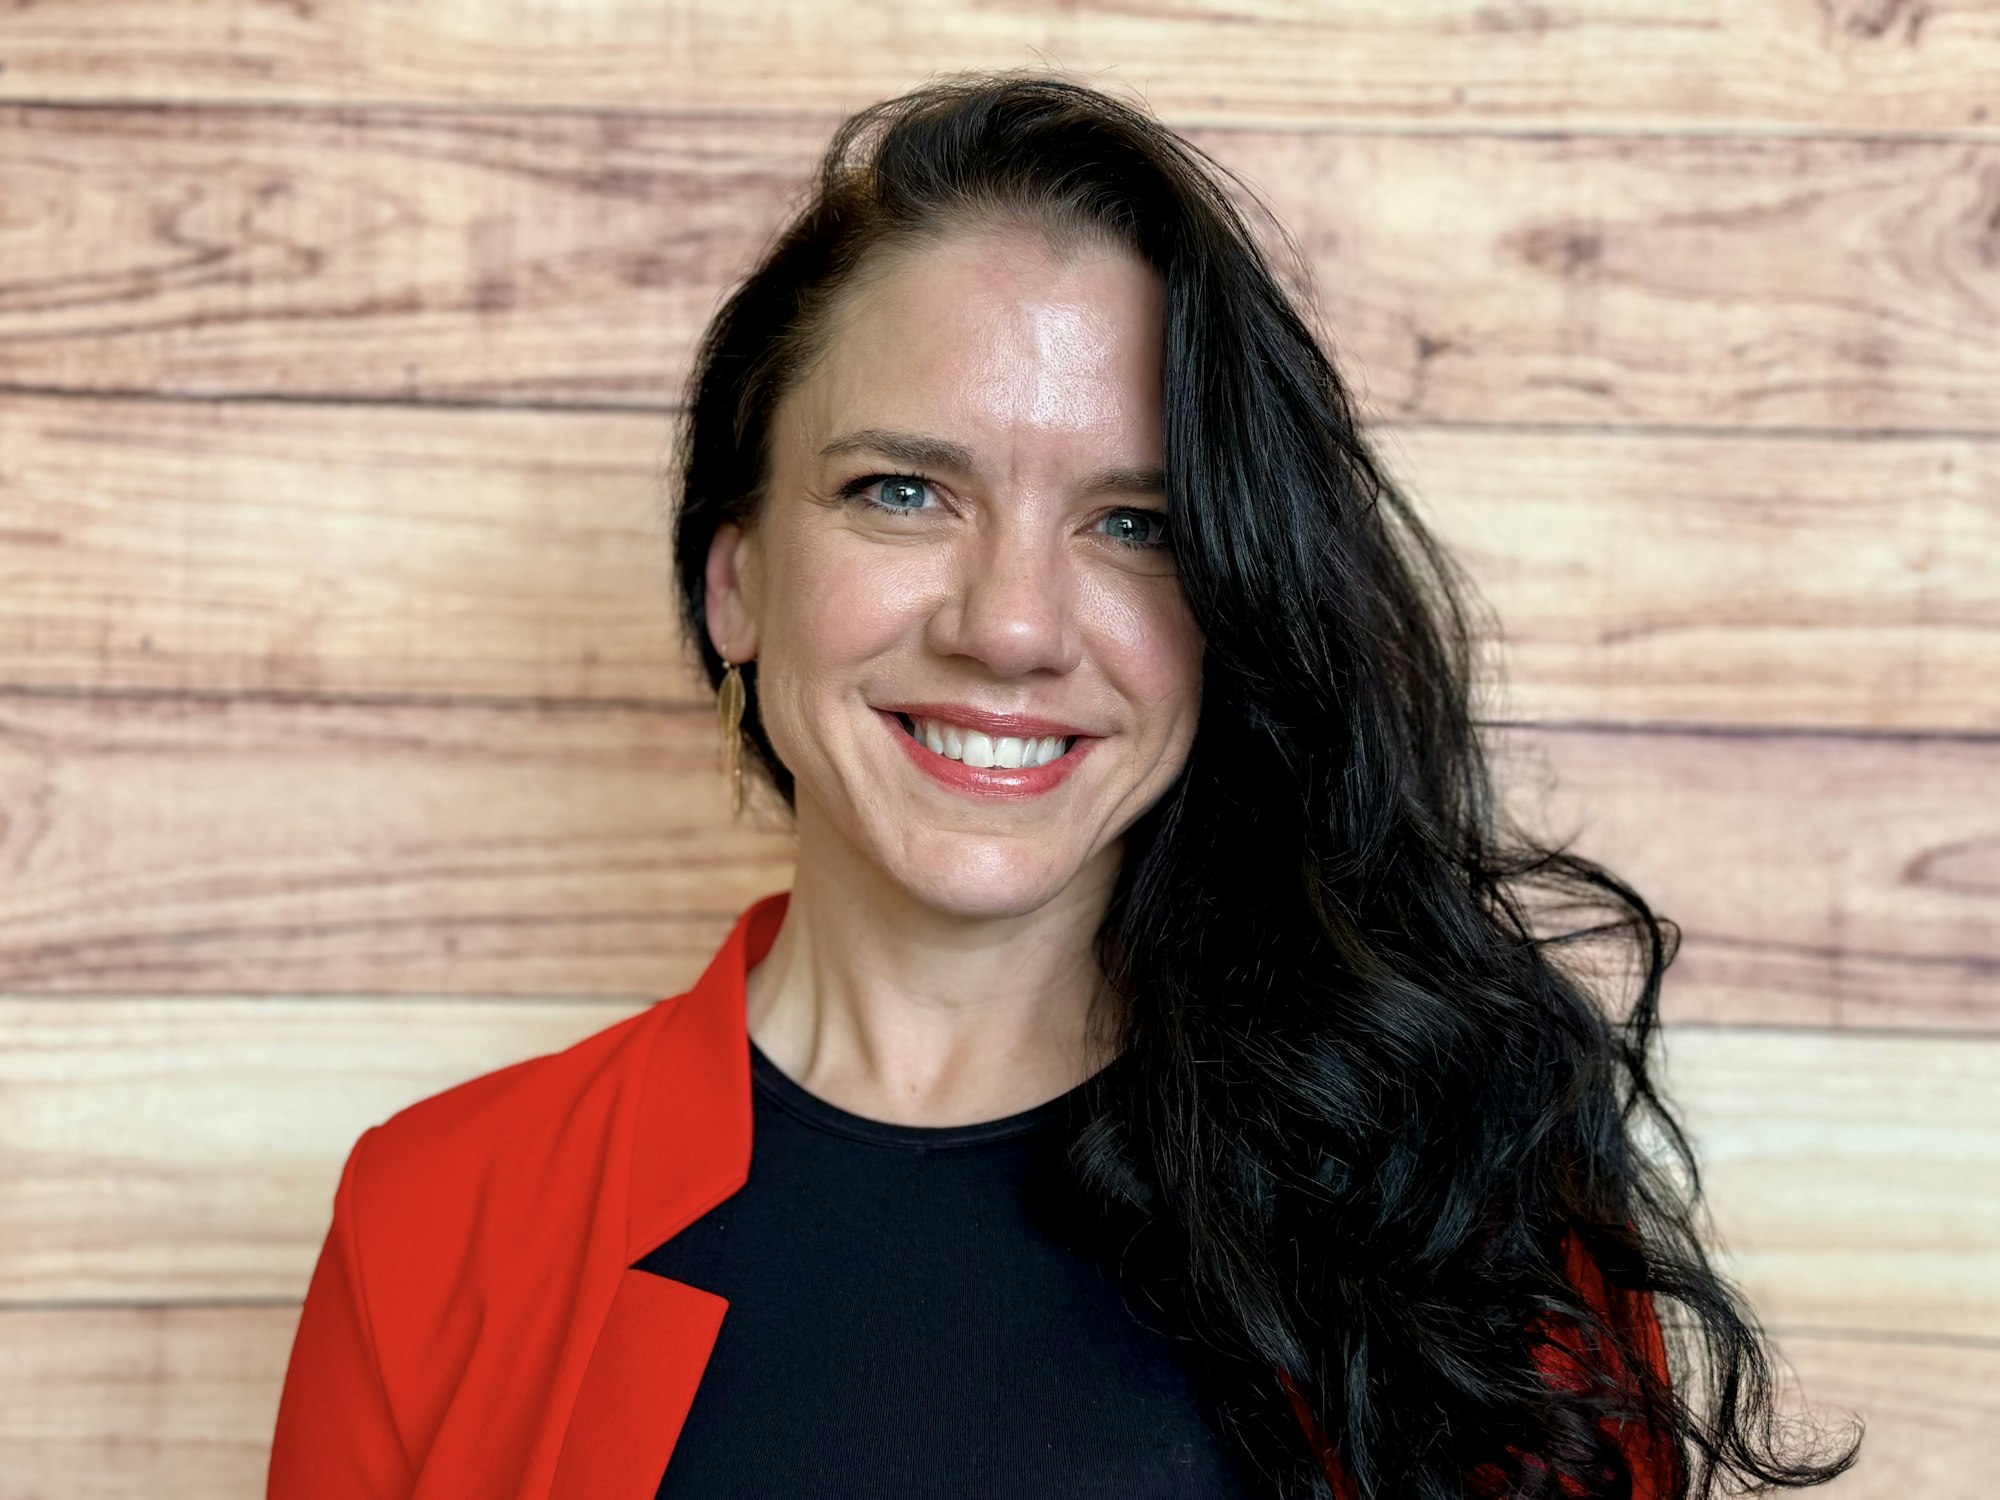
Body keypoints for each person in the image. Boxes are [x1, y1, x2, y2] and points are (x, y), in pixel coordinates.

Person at [267, 73, 1862, 1500]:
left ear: (1234, 605)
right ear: (735, 577)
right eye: (903, 491)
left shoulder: (1460, 1215)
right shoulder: (437, 1215)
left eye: (1135, 525)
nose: (1012, 626)